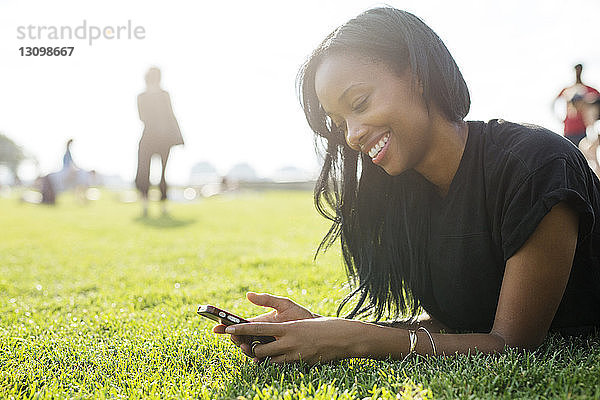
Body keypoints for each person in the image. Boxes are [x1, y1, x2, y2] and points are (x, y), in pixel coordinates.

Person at [214, 7, 600, 364]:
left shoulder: (535, 165)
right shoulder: (404, 193)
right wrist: (322, 329)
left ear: (417, 76)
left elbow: (511, 344)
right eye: (339, 121)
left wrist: (355, 339)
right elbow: (462, 325)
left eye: (360, 102)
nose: (351, 136)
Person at [135, 67, 184, 216]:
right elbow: (143, 117)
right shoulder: (142, 96)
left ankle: (161, 204)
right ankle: (146, 203)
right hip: (151, 137)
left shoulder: (163, 95)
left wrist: (179, 137)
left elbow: (170, 115)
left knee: (162, 173)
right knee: (144, 172)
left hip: (162, 139)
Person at [555, 64, 599, 146]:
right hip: (568, 129)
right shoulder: (567, 90)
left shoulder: (590, 90)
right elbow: (554, 103)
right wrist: (560, 119)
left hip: (582, 130)